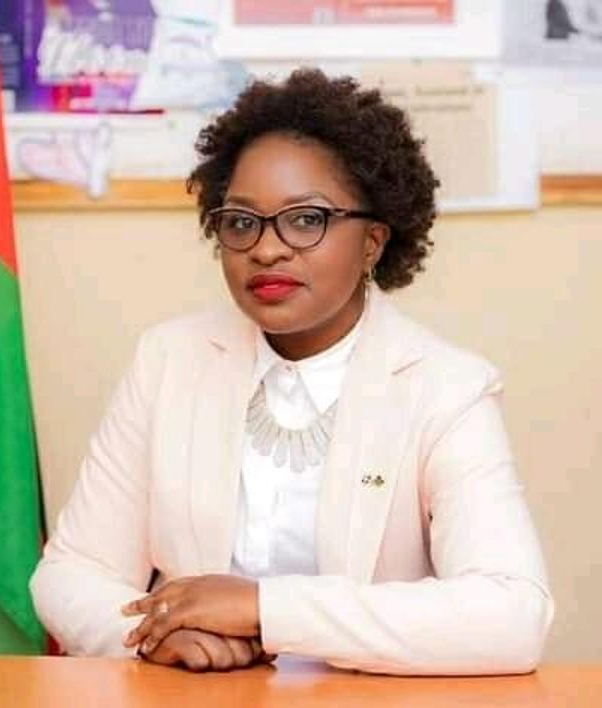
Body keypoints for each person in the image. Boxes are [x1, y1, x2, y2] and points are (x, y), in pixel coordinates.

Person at [30, 69, 554, 674]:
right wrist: (152, 637)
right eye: (241, 221)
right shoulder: (169, 360)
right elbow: (71, 572)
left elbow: (511, 616)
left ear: (372, 242)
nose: (266, 248)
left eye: (306, 219)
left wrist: (263, 608)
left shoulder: (447, 388)